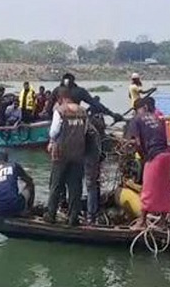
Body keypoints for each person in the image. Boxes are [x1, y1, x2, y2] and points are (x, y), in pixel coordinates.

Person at [45, 86, 89, 226]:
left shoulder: (60, 111)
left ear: (60, 99)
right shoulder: (83, 111)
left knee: (56, 184)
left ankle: (51, 214)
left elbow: (54, 132)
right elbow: (86, 131)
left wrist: (52, 141)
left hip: (60, 153)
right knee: (75, 187)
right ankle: (73, 217)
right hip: (78, 153)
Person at [128, 97, 170, 228]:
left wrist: (143, 156)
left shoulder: (136, 119)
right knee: (164, 188)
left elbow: (137, 142)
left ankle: (142, 221)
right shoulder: (156, 117)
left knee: (148, 189)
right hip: (166, 155)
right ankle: (163, 220)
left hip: (154, 155)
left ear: (139, 109)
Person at [54, 73, 125, 123]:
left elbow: (49, 108)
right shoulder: (80, 91)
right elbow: (95, 104)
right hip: (78, 121)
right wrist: (112, 114)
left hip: (60, 119)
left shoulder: (57, 90)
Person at [0, 151, 35, 216]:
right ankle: (27, 210)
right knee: (30, 185)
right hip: (15, 206)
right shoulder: (14, 165)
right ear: (7, 160)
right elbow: (28, 179)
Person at [84, 96, 107, 225]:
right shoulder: (100, 122)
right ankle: (95, 210)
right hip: (98, 155)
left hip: (90, 156)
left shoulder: (90, 124)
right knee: (95, 183)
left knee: (91, 185)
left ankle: (91, 214)